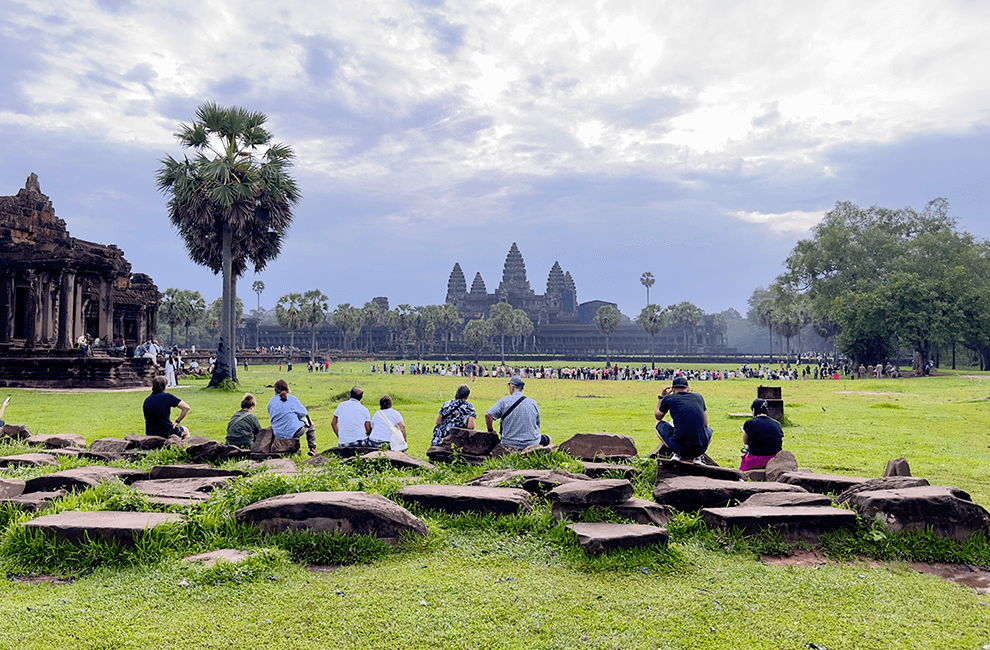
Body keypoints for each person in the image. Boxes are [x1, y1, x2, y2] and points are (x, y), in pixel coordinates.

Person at [654, 375, 712, 463]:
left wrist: (661, 397)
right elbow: (706, 423)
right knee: (709, 430)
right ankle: (697, 457)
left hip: (680, 448)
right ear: (688, 389)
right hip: (700, 448)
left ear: (673, 390)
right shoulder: (698, 397)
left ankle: (676, 453)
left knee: (658, 424)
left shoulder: (668, 398)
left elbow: (658, 416)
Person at [485, 376, 550, 449]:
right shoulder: (533, 402)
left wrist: (490, 430)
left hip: (509, 443)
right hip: (532, 443)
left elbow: (488, 415)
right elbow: (537, 424)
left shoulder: (504, 401)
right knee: (548, 439)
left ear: (512, 387)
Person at [267, 379, 317, 456]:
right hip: (293, 432)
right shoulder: (292, 398)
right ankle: (312, 448)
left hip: (277, 432)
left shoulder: (271, 401)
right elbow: (304, 412)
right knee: (310, 424)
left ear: (275, 389)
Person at [740, 398, 783, 471]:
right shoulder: (777, 424)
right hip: (774, 459)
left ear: (754, 410)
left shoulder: (749, 423)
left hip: (755, 460)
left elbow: (745, 442)